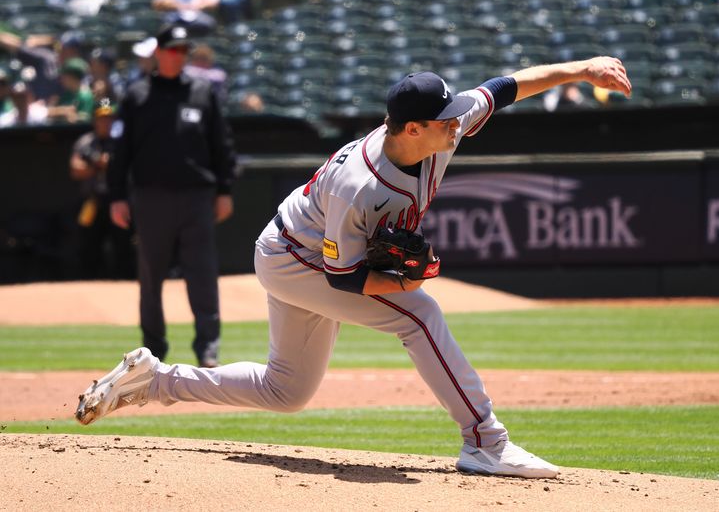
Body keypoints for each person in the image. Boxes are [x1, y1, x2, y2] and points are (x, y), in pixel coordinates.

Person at [74, 56, 631, 479]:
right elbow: (344, 278)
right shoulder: (360, 187)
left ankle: (157, 380)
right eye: (444, 119)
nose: (456, 123)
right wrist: (408, 280)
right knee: (418, 314)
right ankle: (484, 440)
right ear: (412, 129)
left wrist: (581, 70)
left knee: (284, 391)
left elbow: (503, 89)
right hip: (296, 259)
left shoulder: (436, 129)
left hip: (304, 248)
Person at [102, 24, 236, 367]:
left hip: (196, 197)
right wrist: (117, 196)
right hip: (151, 198)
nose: (179, 55)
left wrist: (225, 190)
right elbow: (121, 151)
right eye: (172, 49)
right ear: (158, 53)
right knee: (150, 277)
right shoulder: (136, 95)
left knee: (203, 274)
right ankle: (153, 348)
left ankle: (208, 346)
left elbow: (222, 145)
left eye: (183, 50)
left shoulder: (203, 91)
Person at [70, 103, 136, 279]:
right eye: (101, 118)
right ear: (95, 120)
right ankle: (90, 283)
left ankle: (124, 281)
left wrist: (103, 165)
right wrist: (99, 165)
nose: (105, 122)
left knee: (123, 245)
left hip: (119, 201)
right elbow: (76, 169)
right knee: (88, 246)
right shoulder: (86, 142)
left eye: (109, 118)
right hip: (93, 201)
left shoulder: (121, 142)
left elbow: (128, 168)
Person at [47, 58, 94, 123]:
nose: (61, 80)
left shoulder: (85, 96)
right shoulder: (66, 94)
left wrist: (70, 116)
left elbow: (86, 118)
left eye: (64, 76)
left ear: (72, 77)